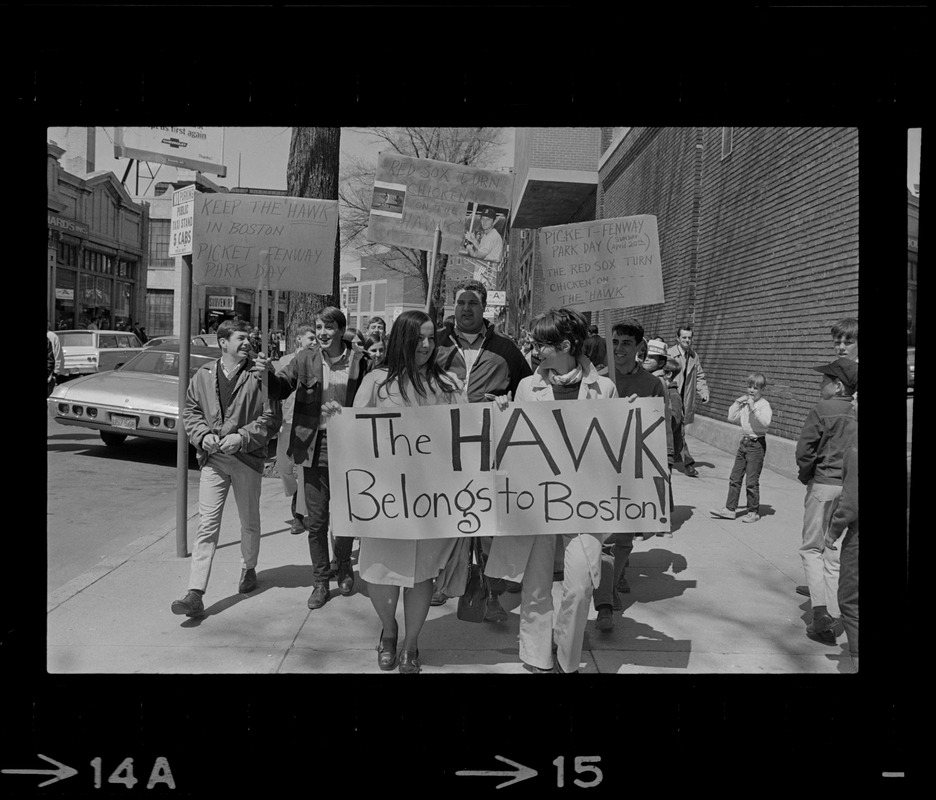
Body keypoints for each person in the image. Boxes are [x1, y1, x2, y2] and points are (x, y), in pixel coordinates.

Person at [485, 308, 618, 672]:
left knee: (579, 585)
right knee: (536, 586)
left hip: (586, 501)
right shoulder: (529, 386)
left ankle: (566, 654)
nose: (535, 350)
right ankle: (535, 654)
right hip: (538, 500)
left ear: (564, 345)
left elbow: (616, 444)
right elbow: (518, 439)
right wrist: (504, 409)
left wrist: (632, 417)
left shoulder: (603, 387)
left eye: (540, 344)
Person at [353, 310, 466, 673]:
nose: (427, 345)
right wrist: (334, 416)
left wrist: (496, 410)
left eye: (432, 338)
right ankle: (389, 630)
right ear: (402, 339)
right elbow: (354, 436)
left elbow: (468, 432)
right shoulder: (376, 383)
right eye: (419, 338)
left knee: (421, 576)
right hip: (384, 502)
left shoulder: (446, 384)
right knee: (378, 574)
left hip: (430, 505)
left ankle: (411, 645)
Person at [171, 320, 282, 617]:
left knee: (249, 519)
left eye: (249, 338)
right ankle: (195, 592)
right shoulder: (205, 374)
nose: (247, 343)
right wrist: (202, 435)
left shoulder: (259, 376)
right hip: (214, 460)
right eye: (241, 338)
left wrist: (242, 437)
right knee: (207, 524)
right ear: (223, 342)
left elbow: (272, 418)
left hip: (246, 459)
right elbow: (191, 410)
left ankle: (249, 567)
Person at [434, 279, 532, 614]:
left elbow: (528, 391)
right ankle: (444, 580)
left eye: (473, 303)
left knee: (487, 521)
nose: (466, 309)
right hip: (443, 447)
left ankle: (491, 590)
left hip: (490, 448)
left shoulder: (505, 349)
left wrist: (508, 401)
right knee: (449, 515)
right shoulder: (434, 345)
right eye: (461, 302)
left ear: (484, 307)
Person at [262, 308, 367, 610]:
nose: (322, 333)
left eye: (328, 327)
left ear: (342, 330)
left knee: (347, 517)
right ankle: (320, 581)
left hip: (351, 447)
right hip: (314, 445)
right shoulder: (305, 359)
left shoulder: (360, 360)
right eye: (319, 327)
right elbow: (281, 387)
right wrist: (266, 373)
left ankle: (344, 565)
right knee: (317, 520)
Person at [590, 319, 666, 632]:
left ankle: (610, 583)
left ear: (638, 348)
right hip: (599, 469)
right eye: (616, 342)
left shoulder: (652, 385)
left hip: (633, 471)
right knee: (605, 539)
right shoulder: (598, 382)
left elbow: (659, 434)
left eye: (626, 344)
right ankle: (604, 604)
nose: (619, 349)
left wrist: (662, 476)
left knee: (623, 539)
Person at [794, 356, 858, 645]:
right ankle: (834, 614)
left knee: (811, 549)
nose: (821, 384)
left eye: (825, 380)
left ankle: (820, 616)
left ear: (837, 385)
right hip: (847, 487)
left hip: (822, 484)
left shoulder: (821, 410)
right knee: (833, 552)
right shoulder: (856, 412)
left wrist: (806, 475)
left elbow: (805, 450)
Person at [710, 374, 773, 523]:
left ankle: (753, 511)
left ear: (762, 389)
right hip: (744, 442)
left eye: (755, 388)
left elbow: (765, 422)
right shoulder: (745, 403)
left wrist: (753, 408)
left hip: (756, 444)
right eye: (749, 387)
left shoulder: (764, 405)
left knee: (751, 480)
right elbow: (731, 417)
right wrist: (738, 403)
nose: (751, 390)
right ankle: (730, 509)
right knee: (735, 477)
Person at [275, 325, 319, 536]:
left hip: (305, 423)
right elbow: (274, 390)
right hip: (286, 421)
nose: (314, 341)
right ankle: (294, 496)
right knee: (284, 467)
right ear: (298, 339)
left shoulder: (317, 360)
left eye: (316, 338)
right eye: (310, 337)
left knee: (302, 469)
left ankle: (298, 516)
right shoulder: (286, 362)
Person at [826, 393, 858, 672]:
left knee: (850, 600)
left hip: (858, 537)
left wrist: (832, 533)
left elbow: (849, 505)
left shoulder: (856, 449)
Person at [667, 324, 710, 477]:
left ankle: (672, 459)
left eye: (689, 338)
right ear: (677, 338)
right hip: (672, 398)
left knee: (678, 431)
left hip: (686, 399)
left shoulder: (693, 356)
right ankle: (687, 463)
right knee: (677, 431)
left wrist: (703, 392)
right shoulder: (669, 354)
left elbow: (699, 376)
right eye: (684, 337)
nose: (687, 340)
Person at [47, 323, 63, 391]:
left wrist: (55, 373)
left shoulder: (52, 337)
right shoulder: (53, 336)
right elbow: (58, 355)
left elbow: (57, 355)